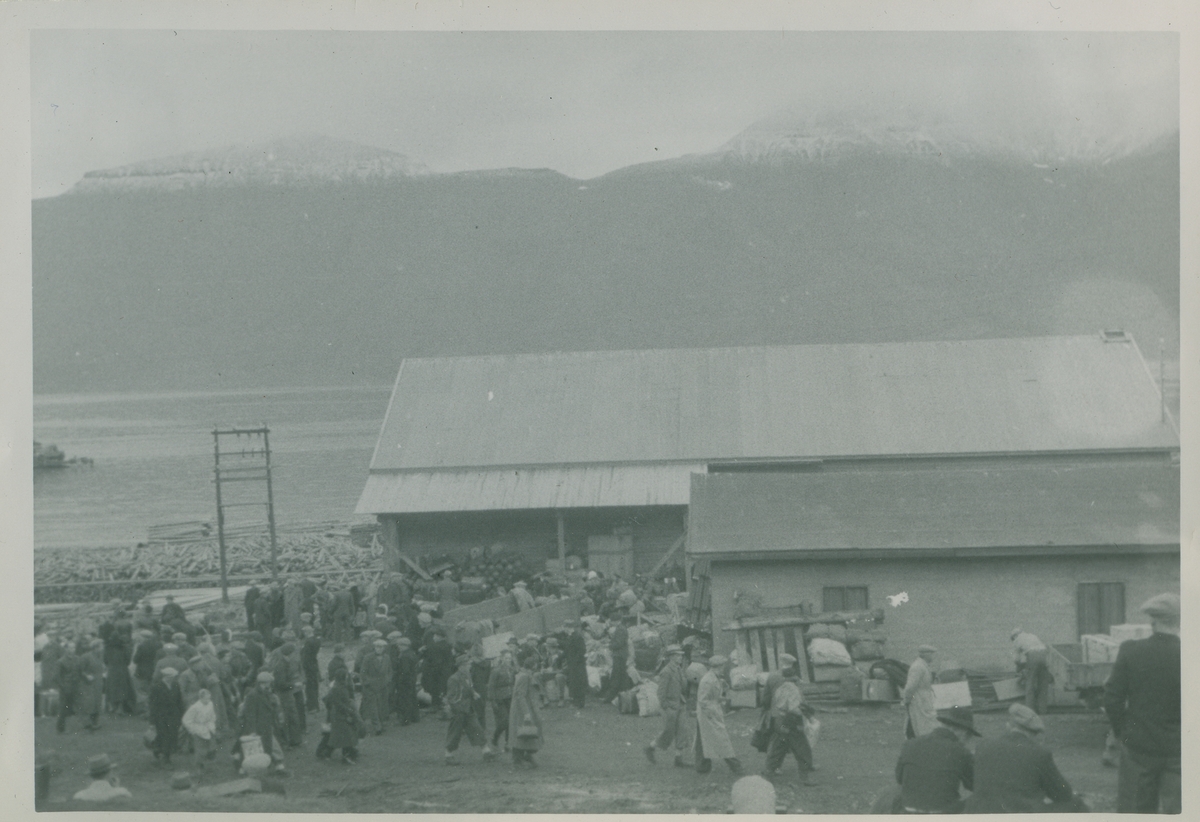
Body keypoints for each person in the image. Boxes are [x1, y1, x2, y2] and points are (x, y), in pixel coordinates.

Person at [1103, 592, 1181, 814]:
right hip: (1179, 750)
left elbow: (1112, 698)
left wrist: (1123, 732)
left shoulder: (1130, 650)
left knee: (1135, 811)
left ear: (1152, 621)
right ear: (1179, 621)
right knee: (1182, 811)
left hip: (1138, 747)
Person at [963, 703, 1086, 813]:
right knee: (1077, 803)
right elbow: (1063, 794)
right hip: (1019, 814)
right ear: (1035, 733)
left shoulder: (983, 746)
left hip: (980, 813)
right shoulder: (1040, 753)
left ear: (1008, 726)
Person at [893, 706, 978, 814]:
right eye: (968, 736)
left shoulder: (910, 744)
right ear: (962, 731)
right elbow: (976, 785)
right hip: (942, 814)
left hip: (908, 812)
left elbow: (899, 778)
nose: (967, 740)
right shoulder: (961, 752)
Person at [763, 663, 815, 785]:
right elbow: (793, 709)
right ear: (794, 676)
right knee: (802, 749)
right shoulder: (793, 689)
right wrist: (805, 713)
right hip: (791, 722)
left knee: (778, 747)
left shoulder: (780, 688)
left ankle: (768, 775)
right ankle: (805, 778)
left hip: (779, 721)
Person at [695, 655, 742, 775]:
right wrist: (713, 713)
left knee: (703, 738)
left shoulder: (715, 678)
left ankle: (702, 766)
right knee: (721, 739)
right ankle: (735, 766)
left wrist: (721, 698)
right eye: (723, 666)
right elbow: (703, 700)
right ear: (718, 667)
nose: (724, 669)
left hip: (711, 710)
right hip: (708, 713)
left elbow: (713, 696)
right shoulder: (708, 680)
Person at [644, 645, 691, 767]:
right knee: (668, 732)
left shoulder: (679, 669)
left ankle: (678, 759)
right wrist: (666, 706)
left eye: (681, 655)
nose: (681, 657)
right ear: (672, 657)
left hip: (680, 703)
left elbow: (683, 686)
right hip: (670, 705)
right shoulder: (666, 672)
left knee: (682, 730)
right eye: (678, 655)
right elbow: (661, 692)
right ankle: (650, 747)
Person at [444, 653, 488, 764]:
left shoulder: (467, 675)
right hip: (459, 711)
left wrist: (473, 693)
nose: (470, 666)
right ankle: (448, 756)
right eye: (468, 664)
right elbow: (451, 697)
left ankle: (486, 752)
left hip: (468, 708)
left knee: (477, 729)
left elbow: (470, 687)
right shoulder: (453, 679)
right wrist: (456, 709)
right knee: (455, 733)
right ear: (461, 666)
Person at [239, 671, 285, 770]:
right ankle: (277, 766)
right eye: (269, 682)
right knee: (263, 749)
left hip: (266, 726)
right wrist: (253, 731)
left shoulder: (265, 692)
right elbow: (250, 715)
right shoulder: (253, 695)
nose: (270, 684)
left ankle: (277, 766)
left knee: (270, 747)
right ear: (263, 683)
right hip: (259, 728)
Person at [509, 652, 543, 768]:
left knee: (528, 732)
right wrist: (526, 713)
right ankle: (517, 760)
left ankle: (528, 755)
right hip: (522, 710)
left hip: (526, 708)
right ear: (533, 666)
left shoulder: (525, 675)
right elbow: (520, 695)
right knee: (521, 733)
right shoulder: (524, 676)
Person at [321, 668, 362, 765]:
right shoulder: (337, 688)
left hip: (340, 714)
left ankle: (327, 753)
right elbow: (338, 704)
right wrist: (349, 711)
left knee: (338, 736)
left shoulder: (340, 686)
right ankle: (346, 756)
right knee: (345, 736)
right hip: (339, 715)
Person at [1010, 628, 1051, 715]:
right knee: (1043, 684)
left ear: (1014, 636)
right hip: (1044, 656)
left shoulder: (1017, 640)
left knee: (1030, 684)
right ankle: (1042, 710)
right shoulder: (1032, 635)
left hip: (1033, 656)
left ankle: (1030, 711)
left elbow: (1016, 659)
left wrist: (1019, 666)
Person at [148, 667, 184, 766]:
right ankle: (166, 759)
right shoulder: (157, 687)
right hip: (161, 717)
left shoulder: (175, 685)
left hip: (174, 716)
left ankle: (159, 751)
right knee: (165, 737)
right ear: (167, 677)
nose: (174, 678)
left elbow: (179, 701)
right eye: (172, 677)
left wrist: (182, 715)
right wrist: (152, 722)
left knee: (173, 736)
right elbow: (152, 705)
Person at [901, 645, 939, 738]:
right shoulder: (917, 667)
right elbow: (911, 686)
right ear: (925, 654)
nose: (933, 657)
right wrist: (907, 699)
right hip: (918, 697)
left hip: (925, 697)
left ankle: (922, 738)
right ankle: (914, 738)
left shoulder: (923, 665)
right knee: (918, 719)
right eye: (931, 654)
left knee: (925, 720)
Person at [182, 687, 218, 772]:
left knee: (212, 747)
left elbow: (212, 716)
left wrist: (212, 724)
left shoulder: (210, 704)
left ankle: (208, 764)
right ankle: (199, 766)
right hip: (198, 729)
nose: (208, 700)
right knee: (201, 750)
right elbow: (186, 720)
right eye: (206, 699)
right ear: (201, 698)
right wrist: (193, 730)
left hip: (208, 727)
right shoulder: (195, 707)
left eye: (209, 698)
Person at [488, 648, 516, 751]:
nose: (508, 660)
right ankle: (495, 738)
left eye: (510, 658)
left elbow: (513, 683)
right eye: (506, 658)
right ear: (502, 659)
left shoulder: (512, 669)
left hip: (510, 698)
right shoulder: (496, 670)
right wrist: (493, 700)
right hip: (499, 699)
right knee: (504, 721)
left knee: (511, 720)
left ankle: (507, 743)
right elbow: (491, 687)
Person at [359, 639, 390, 735]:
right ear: (374, 647)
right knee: (373, 706)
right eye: (377, 646)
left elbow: (390, 670)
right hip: (371, 686)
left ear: (384, 648)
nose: (379, 649)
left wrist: (388, 680)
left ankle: (381, 723)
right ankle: (377, 727)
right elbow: (363, 672)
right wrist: (367, 683)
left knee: (381, 705)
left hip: (383, 685)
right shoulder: (368, 658)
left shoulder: (387, 657)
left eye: (381, 647)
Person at [77, 638, 106, 731]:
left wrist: (104, 672)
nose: (102, 648)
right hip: (88, 683)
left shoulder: (100, 656)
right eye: (101, 646)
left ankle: (95, 722)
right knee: (88, 702)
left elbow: (101, 667)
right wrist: (87, 676)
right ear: (95, 647)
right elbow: (80, 670)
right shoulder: (86, 657)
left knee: (97, 702)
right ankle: (86, 723)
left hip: (98, 682)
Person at [562, 619, 588, 709]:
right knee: (574, 683)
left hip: (578, 664)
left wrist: (575, 661)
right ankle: (576, 702)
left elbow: (582, 650)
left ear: (568, 628)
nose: (564, 629)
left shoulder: (577, 636)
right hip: (573, 664)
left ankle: (579, 703)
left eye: (564, 627)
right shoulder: (571, 636)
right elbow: (567, 651)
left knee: (579, 683)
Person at [301, 626, 321, 712]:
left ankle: (312, 706)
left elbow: (306, 657)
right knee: (314, 685)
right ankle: (314, 704)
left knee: (310, 687)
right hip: (314, 664)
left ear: (306, 632)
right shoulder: (317, 640)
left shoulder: (308, 642)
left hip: (308, 666)